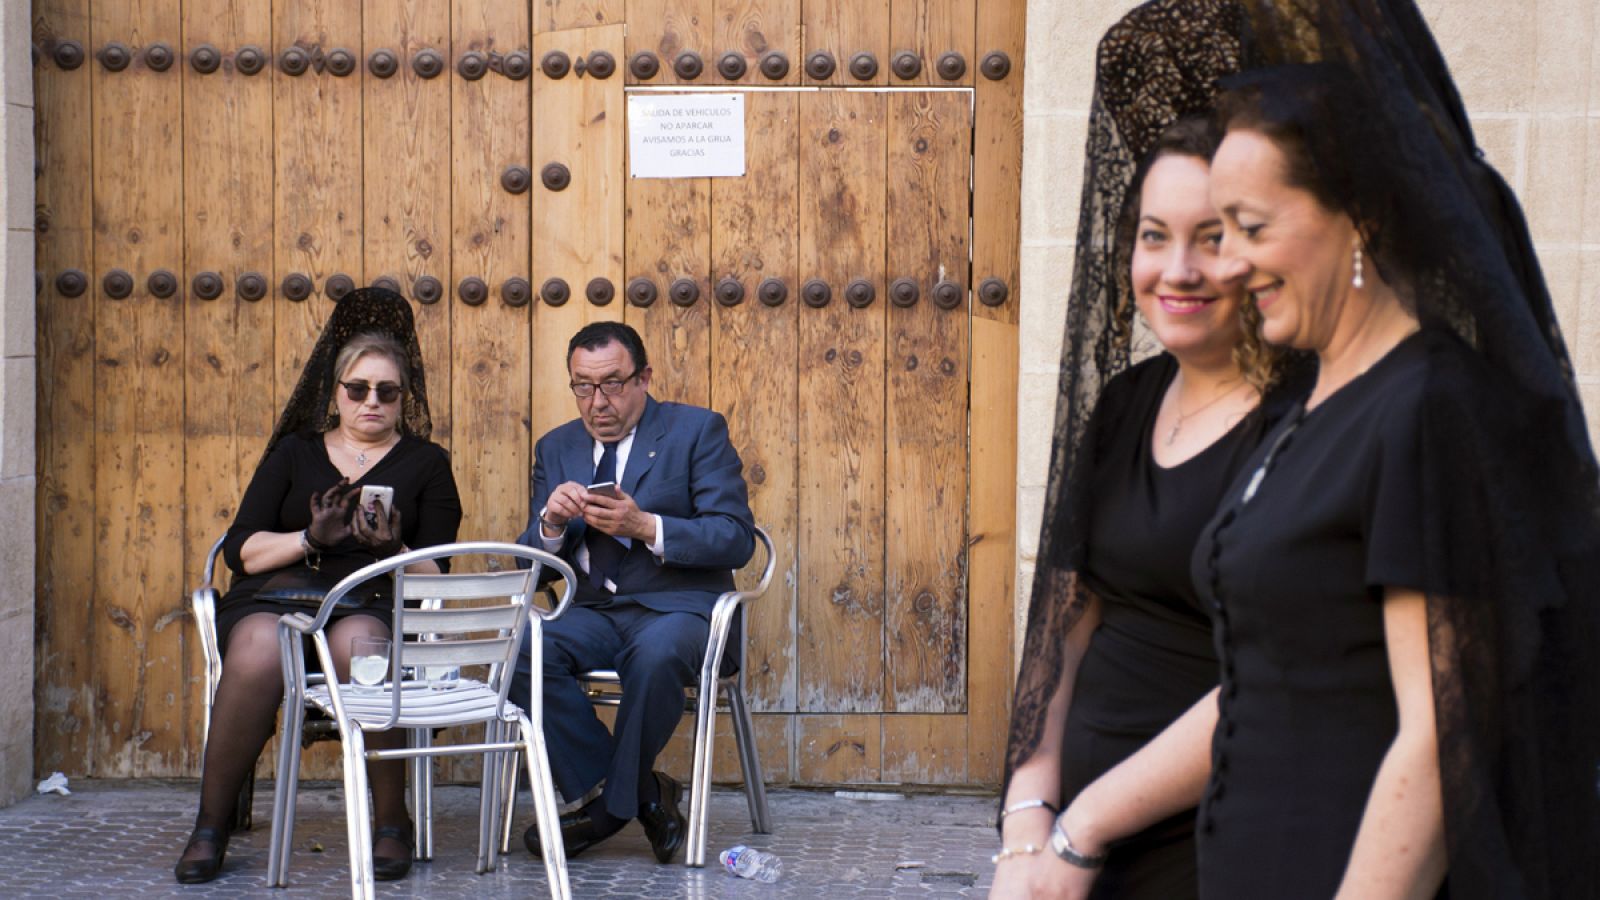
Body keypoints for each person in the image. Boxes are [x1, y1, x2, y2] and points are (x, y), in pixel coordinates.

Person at [1045, 5, 1600, 898]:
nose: (1224, 268)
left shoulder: (1429, 406)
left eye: (1250, 229)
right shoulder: (1318, 403)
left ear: (1363, 218)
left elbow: (1442, 730)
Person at [994, 4, 1283, 898]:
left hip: (1222, 839)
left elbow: (1276, 675)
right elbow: (1067, 620)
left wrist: (1083, 831)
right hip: (1077, 841)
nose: (1177, 271)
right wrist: (1027, 814)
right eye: (1155, 237)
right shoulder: (1125, 403)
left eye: (1214, 238)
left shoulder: (1311, 418)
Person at [174, 287, 462, 884]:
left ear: (403, 398)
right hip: (280, 595)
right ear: (335, 393)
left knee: (363, 650)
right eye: (357, 389)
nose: (371, 401)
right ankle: (210, 824)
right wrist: (311, 538)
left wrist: (394, 552)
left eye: (386, 391)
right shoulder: (294, 452)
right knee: (257, 647)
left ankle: (390, 822)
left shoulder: (426, 464)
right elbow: (242, 551)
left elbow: (441, 575)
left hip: (369, 599)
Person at [511, 320, 756, 864]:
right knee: (517, 650)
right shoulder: (556, 446)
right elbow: (530, 567)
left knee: (658, 654)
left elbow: (736, 538)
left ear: (644, 378)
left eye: (613, 384)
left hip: (678, 609)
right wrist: (550, 524)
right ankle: (644, 795)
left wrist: (647, 527)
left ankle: (604, 813)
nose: (597, 401)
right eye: (582, 386)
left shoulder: (697, 431)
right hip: (593, 611)